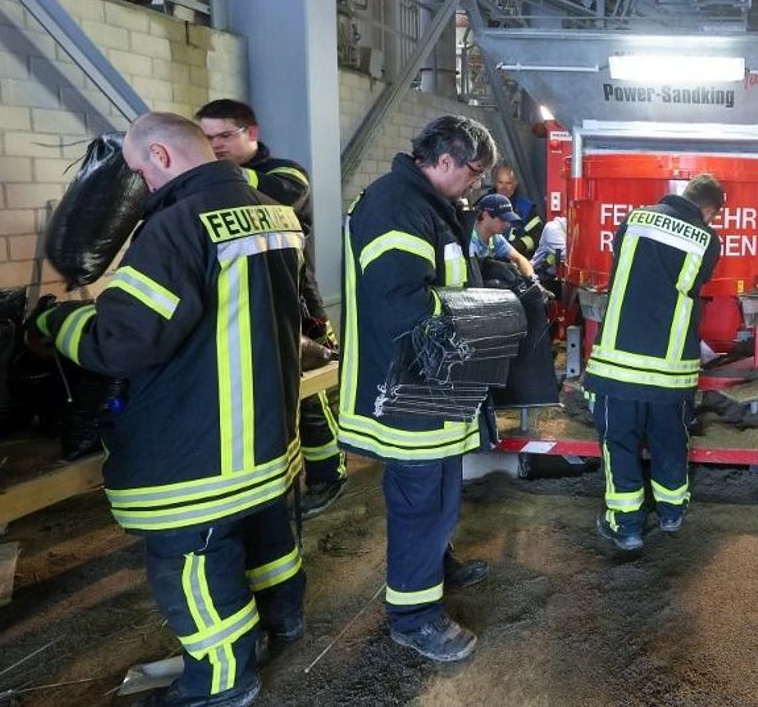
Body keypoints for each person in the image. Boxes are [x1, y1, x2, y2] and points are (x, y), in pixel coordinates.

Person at [31, 112, 305, 706]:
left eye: (137, 172)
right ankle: (283, 621)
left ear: (160, 157)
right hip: (264, 435)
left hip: (200, 448)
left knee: (193, 568)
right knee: (266, 537)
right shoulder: (273, 212)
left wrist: (57, 320)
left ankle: (221, 683)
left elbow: (123, 341)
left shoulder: (177, 225)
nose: (140, 188)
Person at [339, 115, 496, 663]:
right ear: (446, 160)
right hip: (407, 391)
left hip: (434, 384)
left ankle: (436, 564)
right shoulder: (395, 206)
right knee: (419, 504)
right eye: (473, 171)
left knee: (441, 491)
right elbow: (399, 302)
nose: (475, 183)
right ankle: (414, 616)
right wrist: (479, 311)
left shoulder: (426, 204)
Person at [195, 99, 347, 517]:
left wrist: (201, 172)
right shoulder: (208, 185)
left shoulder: (285, 173)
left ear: (251, 134)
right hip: (239, 307)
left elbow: (277, 196)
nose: (215, 146)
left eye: (224, 135)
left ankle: (327, 475)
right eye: (206, 138)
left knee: (312, 394)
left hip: (299, 305)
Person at [583, 174, 724, 550]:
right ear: (708, 210)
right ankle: (672, 513)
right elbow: (694, 285)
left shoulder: (634, 219)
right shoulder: (708, 239)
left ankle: (626, 526)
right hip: (671, 367)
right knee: (670, 440)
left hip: (618, 363)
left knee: (620, 443)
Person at [472, 192, 535, 278]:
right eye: (502, 219)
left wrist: (532, 279)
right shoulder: (470, 240)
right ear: (486, 215)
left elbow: (519, 259)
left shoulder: (495, 238)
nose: (507, 225)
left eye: (508, 220)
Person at [493, 163, 544, 257]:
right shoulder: (484, 205)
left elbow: (536, 236)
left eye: (508, 183)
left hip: (514, 262)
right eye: (500, 182)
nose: (504, 188)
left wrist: (518, 246)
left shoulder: (526, 208)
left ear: (515, 184)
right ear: (495, 183)